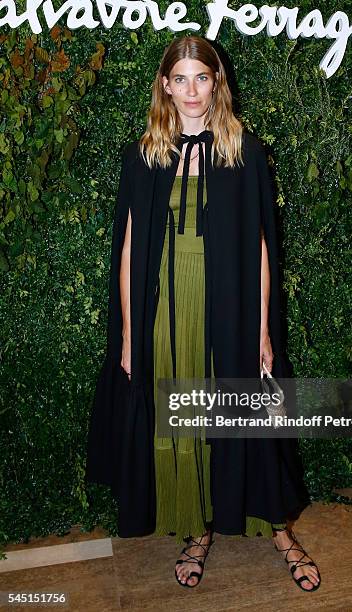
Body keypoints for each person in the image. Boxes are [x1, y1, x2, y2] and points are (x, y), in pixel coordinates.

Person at [85, 35, 321, 592]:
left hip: (232, 310)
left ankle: (279, 531)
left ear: (217, 83)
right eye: (181, 79)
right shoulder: (145, 153)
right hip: (164, 310)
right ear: (165, 85)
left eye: (202, 78)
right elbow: (128, 246)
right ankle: (199, 530)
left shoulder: (245, 151)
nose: (192, 91)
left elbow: (262, 247)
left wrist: (262, 328)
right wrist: (127, 335)